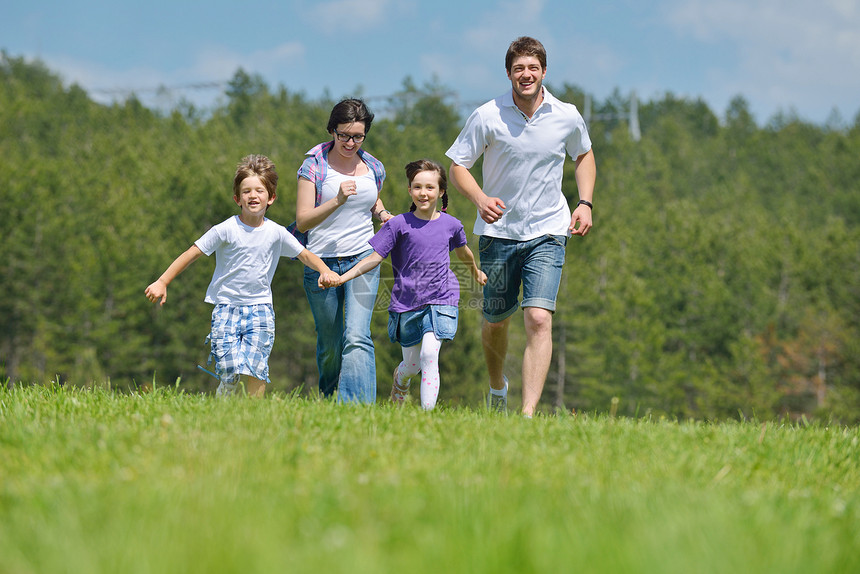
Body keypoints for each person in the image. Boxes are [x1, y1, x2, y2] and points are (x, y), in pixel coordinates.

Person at [445, 36, 597, 417]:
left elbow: (583, 155)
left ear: (544, 71)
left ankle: (528, 414)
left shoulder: (566, 115)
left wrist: (584, 202)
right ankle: (498, 388)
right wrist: (480, 199)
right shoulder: (487, 115)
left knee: (539, 317)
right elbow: (458, 166)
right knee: (496, 321)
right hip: (498, 234)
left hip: (549, 229)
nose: (525, 75)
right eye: (518, 69)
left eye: (532, 68)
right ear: (509, 74)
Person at [145, 154, 338, 397]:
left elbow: (305, 255)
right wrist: (163, 281)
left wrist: (324, 270)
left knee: (256, 368)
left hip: (260, 309)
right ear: (237, 198)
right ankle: (226, 393)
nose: (253, 196)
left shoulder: (276, 233)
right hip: (226, 307)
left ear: (271, 198)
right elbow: (191, 253)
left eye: (259, 190)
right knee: (228, 367)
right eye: (246, 191)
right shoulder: (226, 229)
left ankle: (253, 417)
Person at [324, 159, 487, 410]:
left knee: (429, 355)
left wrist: (475, 272)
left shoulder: (451, 225)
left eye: (430, 188)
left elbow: (463, 252)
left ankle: (426, 416)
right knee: (412, 365)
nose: (424, 193)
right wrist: (342, 277)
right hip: (406, 302)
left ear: (441, 191)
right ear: (410, 190)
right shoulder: (397, 225)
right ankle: (400, 381)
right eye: (417, 187)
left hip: (442, 298)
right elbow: (373, 258)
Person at [295, 98, 393, 403]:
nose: (350, 143)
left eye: (358, 136)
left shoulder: (374, 167)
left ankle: (357, 408)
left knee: (357, 335)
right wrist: (336, 200)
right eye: (344, 135)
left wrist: (382, 213)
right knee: (330, 343)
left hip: (363, 258)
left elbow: (371, 200)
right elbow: (303, 220)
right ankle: (329, 398)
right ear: (332, 131)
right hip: (321, 262)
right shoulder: (313, 166)